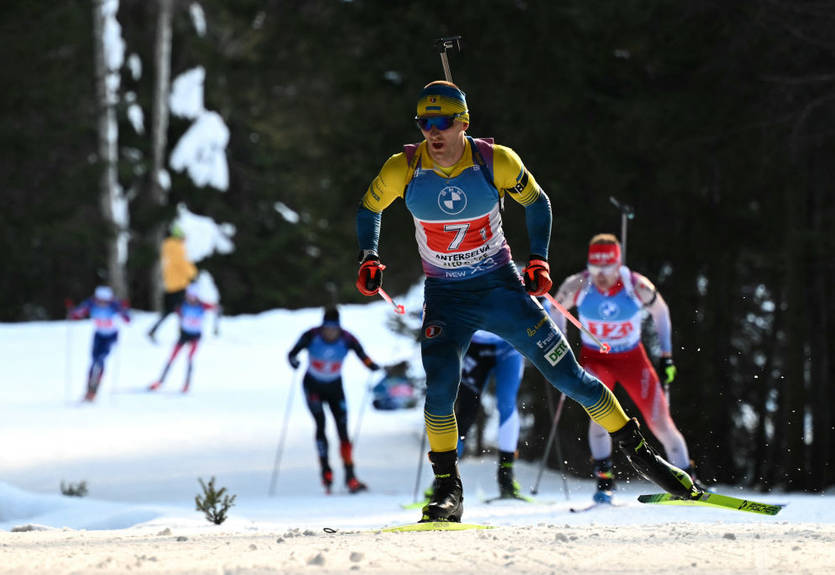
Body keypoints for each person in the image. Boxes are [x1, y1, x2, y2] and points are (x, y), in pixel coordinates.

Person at [355, 80, 700, 523]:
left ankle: (644, 457)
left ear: (463, 123)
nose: (433, 133)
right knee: (440, 388)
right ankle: (447, 489)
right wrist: (369, 256)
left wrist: (538, 259)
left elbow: (538, 203)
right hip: (446, 296)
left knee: (570, 379)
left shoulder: (494, 161)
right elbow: (369, 208)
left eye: (443, 123)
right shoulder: (402, 167)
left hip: (502, 289)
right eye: (425, 123)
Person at [553, 233, 703, 503]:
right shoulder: (578, 284)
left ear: (617, 263)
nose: (600, 276)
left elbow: (662, 312)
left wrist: (666, 356)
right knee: (599, 418)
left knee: (660, 421)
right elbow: (554, 310)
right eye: (595, 268)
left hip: (632, 359)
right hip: (596, 360)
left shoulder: (636, 285)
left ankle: (689, 478)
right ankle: (604, 481)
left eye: (607, 269)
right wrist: (562, 352)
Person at [287, 307, 380, 494]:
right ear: (322, 327)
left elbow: (363, 356)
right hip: (312, 386)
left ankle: (350, 476)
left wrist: (371, 366)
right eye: (327, 328)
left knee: (343, 431)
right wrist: (294, 361)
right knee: (320, 425)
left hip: (335, 387)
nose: (330, 332)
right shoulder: (311, 335)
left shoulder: (347, 338)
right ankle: (326, 473)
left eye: (334, 329)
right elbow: (292, 354)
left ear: (339, 327)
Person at [455, 329, 526, 499]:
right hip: (474, 348)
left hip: (509, 346)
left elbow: (541, 306)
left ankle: (506, 479)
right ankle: (443, 479)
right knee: (466, 410)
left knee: (507, 404)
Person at [149, 284, 215, 393]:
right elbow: (175, 311)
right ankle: (160, 381)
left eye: (193, 295)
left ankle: (186, 384)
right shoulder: (182, 305)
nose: (191, 297)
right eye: (189, 295)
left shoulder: (202, 305)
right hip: (184, 335)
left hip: (195, 336)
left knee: (190, 358)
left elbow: (216, 308)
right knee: (172, 356)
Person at [69, 285, 131, 402]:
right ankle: (88, 389)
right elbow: (78, 313)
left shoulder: (114, 306)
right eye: (99, 300)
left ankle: (94, 389)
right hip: (98, 335)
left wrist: (124, 309)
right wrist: (72, 311)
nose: (102, 303)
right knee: (93, 361)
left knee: (101, 359)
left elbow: (128, 319)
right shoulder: (91, 304)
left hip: (111, 336)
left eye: (105, 301)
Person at [147, 223, 197, 343]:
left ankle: (155, 330)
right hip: (179, 284)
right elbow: (182, 264)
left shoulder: (167, 245)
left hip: (169, 284)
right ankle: (184, 334)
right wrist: (193, 274)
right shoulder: (177, 247)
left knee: (170, 310)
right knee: (183, 310)